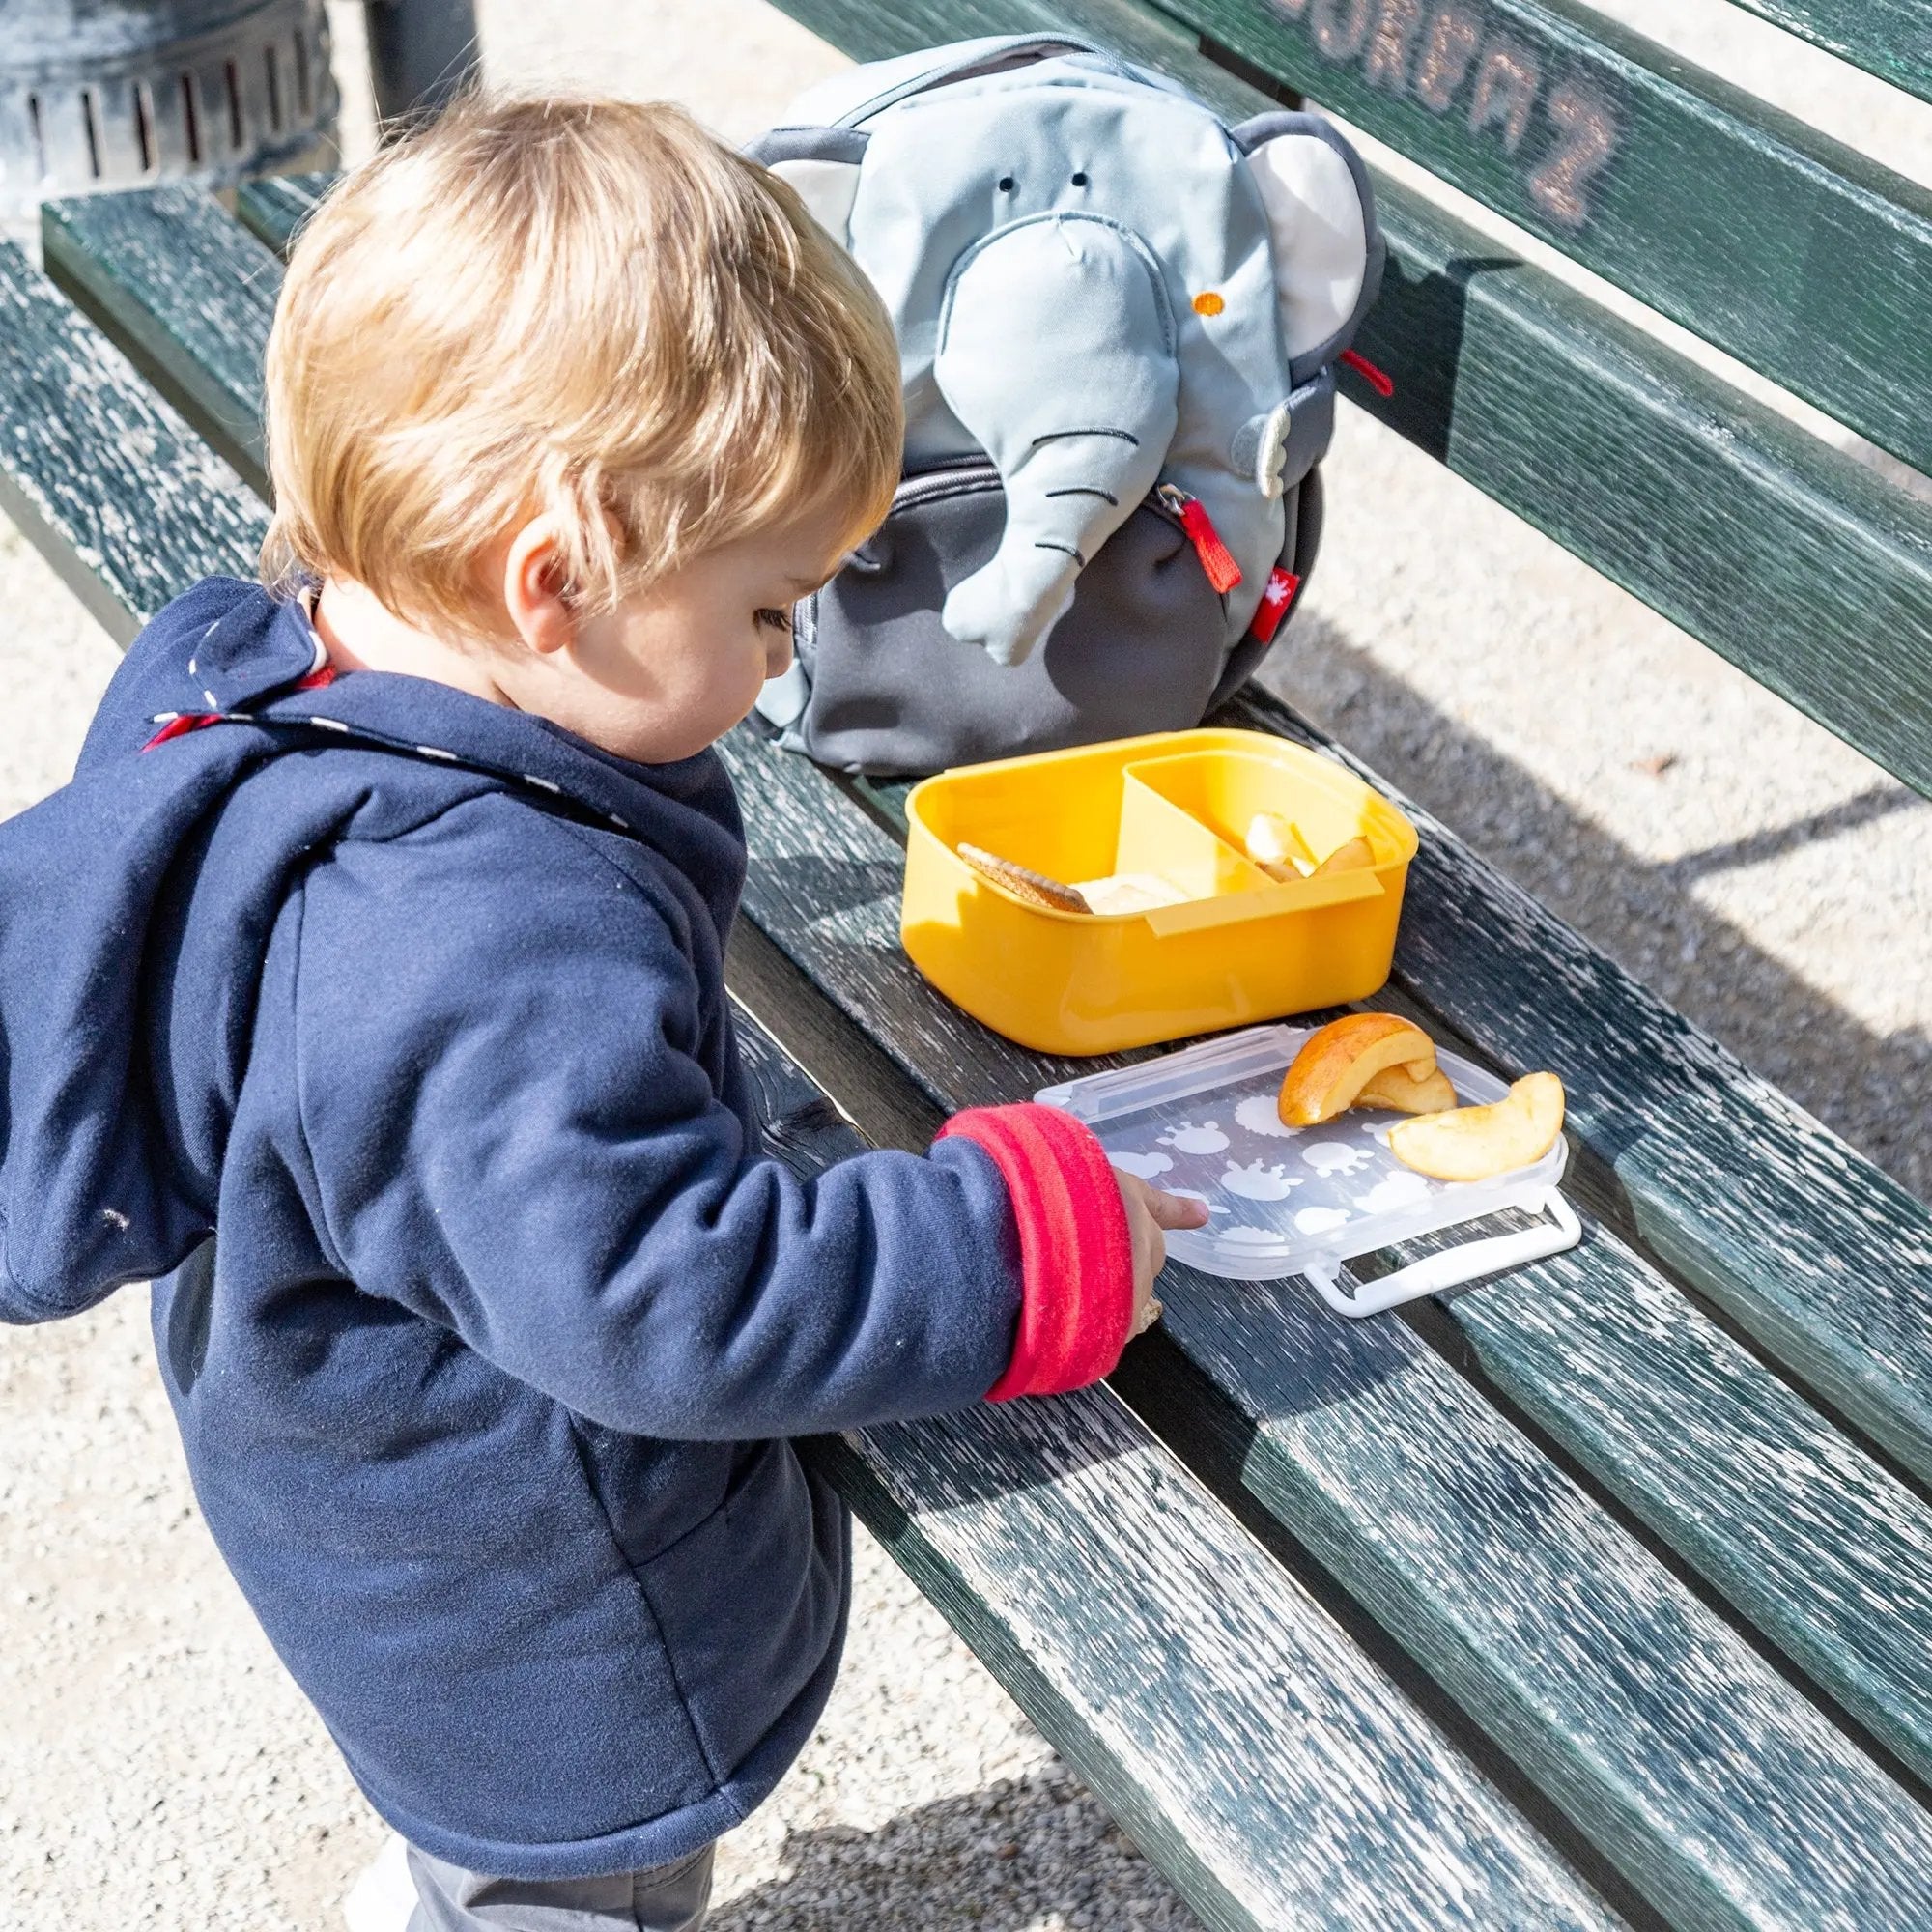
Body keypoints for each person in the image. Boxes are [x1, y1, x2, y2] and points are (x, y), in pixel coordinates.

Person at [0, 94, 1206, 1932]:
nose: (787, 666)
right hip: (533, 1612)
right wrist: (1013, 1247)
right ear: (550, 581)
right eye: (768, 611)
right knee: (573, 1897)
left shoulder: (281, 676)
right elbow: (669, 1297)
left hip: (383, 1498)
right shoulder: (469, 946)